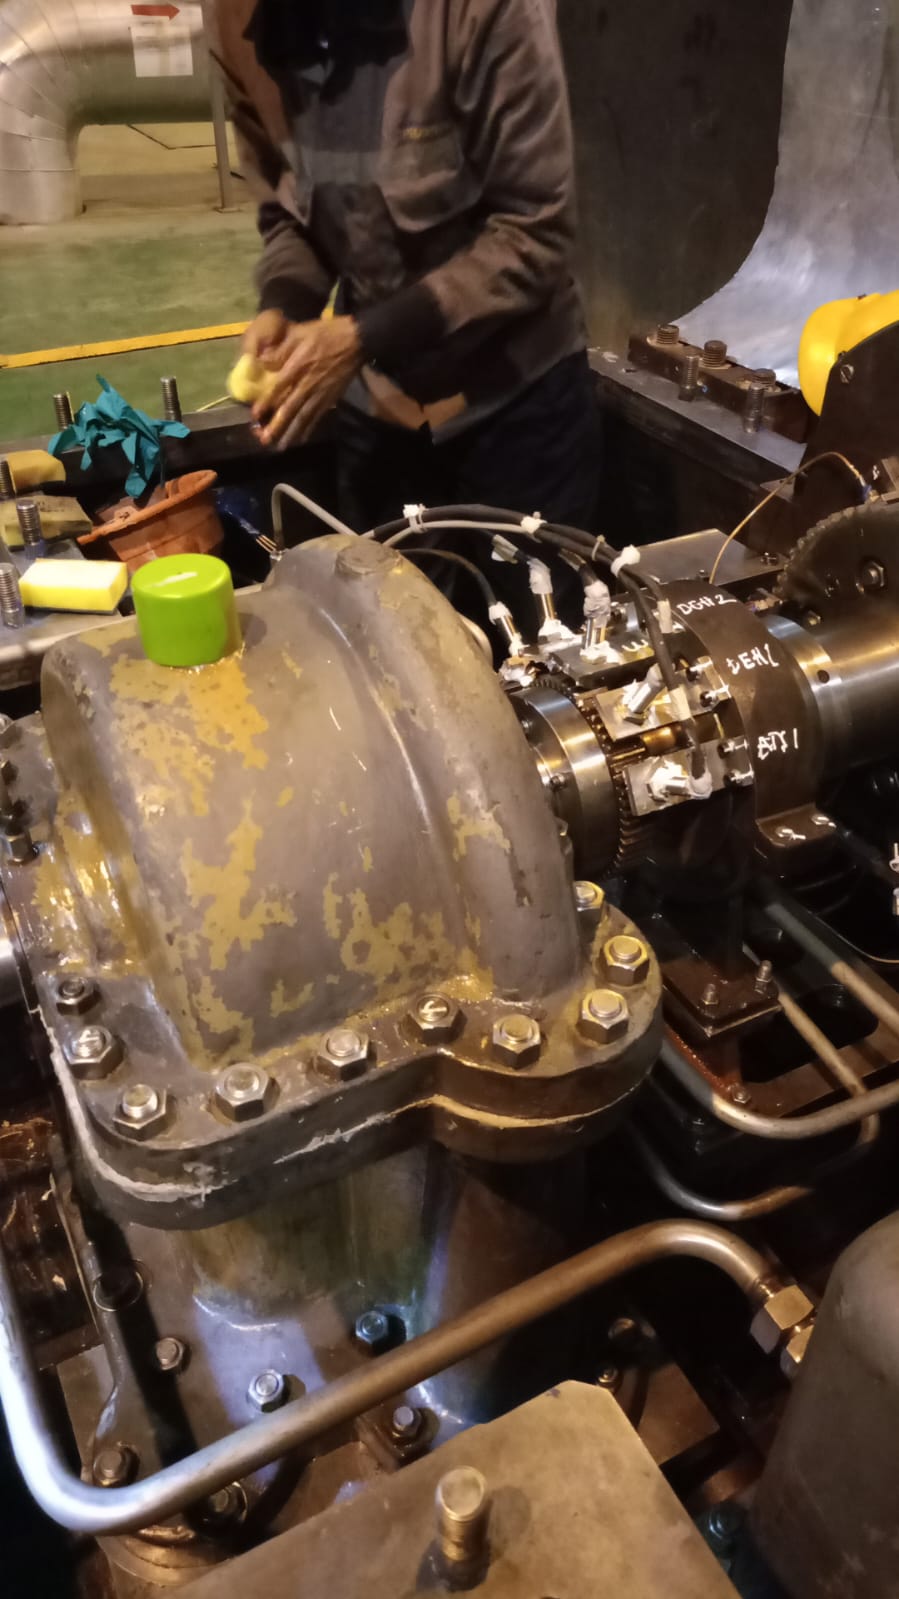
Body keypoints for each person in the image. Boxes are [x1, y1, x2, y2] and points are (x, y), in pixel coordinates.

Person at [211, 0, 599, 533]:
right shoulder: (239, 22)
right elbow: (288, 211)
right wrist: (284, 302)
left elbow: (535, 232)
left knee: (531, 589)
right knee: (382, 588)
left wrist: (363, 337)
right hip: (379, 415)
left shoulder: (479, 12)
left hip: (515, 412)